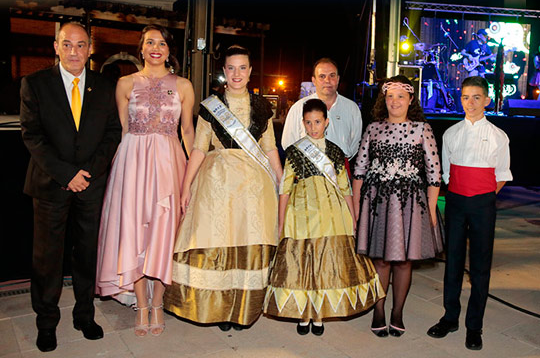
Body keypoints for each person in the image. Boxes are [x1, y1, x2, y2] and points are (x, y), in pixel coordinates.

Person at [20, 22, 121, 353]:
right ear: (56, 46)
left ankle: (84, 315)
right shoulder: (35, 84)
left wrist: (88, 174)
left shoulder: (106, 87)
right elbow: (32, 137)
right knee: (47, 260)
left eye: (81, 45)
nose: (74, 51)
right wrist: (67, 174)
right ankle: (46, 323)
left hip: (91, 187)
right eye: (67, 44)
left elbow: (112, 134)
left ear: (90, 48)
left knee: (86, 256)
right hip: (51, 186)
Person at [164, 45, 282, 328]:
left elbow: (270, 149)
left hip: (254, 187)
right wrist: (186, 186)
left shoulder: (263, 106)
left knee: (247, 246)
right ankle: (219, 309)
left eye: (243, 68)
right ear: (224, 72)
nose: (237, 73)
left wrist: (281, 182)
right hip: (217, 184)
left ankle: (242, 308)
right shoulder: (210, 107)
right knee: (216, 245)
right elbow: (200, 149)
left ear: (251, 72)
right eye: (231, 68)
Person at [96, 26, 194, 336]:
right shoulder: (125, 83)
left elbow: (188, 132)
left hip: (169, 161)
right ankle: (141, 304)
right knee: (134, 232)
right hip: (134, 161)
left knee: (165, 232)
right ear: (140, 48)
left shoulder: (183, 85)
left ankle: (158, 303)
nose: (156, 47)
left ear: (169, 50)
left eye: (162, 43)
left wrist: (193, 174)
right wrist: (117, 169)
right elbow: (123, 130)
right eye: (149, 42)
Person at [265, 98, 382, 335]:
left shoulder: (336, 151)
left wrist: (353, 216)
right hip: (302, 212)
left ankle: (318, 314)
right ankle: (303, 312)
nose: (313, 127)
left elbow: (345, 187)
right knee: (303, 262)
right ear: (303, 123)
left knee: (325, 263)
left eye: (317, 122)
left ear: (326, 122)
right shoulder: (295, 151)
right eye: (308, 123)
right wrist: (280, 221)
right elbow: (285, 188)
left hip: (331, 212)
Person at [354, 75, 443, 337]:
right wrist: (358, 206)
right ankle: (378, 310)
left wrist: (431, 207)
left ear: (411, 99)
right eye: (390, 96)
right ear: (384, 99)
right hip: (378, 202)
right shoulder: (373, 128)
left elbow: (434, 173)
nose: (395, 101)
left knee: (404, 262)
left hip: (410, 204)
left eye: (400, 96)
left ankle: (397, 312)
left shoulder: (422, 129)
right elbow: (359, 169)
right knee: (381, 261)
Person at [427, 76, 512, 351]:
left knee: (480, 267)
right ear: (459, 99)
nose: (470, 102)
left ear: (487, 100)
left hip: (482, 205)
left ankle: (474, 326)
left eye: (476, 97)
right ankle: (450, 317)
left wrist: (481, 199)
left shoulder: (499, 136)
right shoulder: (450, 134)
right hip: (455, 203)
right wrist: (459, 197)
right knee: (452, 261)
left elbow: (501, 177)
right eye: (465, 97)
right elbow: (448, 174)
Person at [281, 56, 363, 160]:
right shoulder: (299, 108)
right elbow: (288, 144)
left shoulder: (352, 109)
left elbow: (355, 144)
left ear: (338, 79)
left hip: (341, 171)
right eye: (322, 76)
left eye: (332, 76)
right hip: (306, 172)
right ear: (313, 80)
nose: (327, 80)